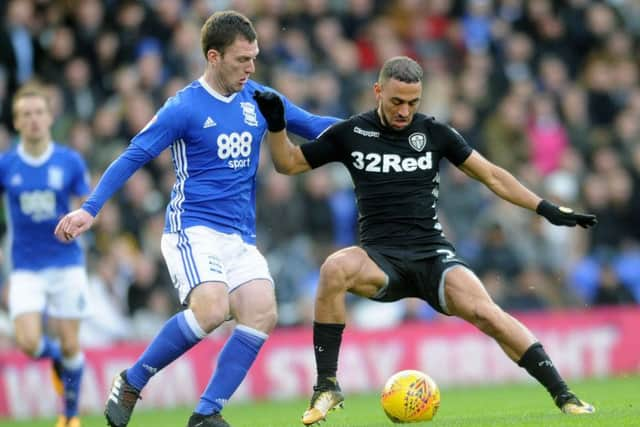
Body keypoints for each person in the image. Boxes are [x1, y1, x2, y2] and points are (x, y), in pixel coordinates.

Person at [251, 56, 598, 425]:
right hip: (380, 259)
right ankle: (327, 385)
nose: (405, 111)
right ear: (378, 91)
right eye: (397, 101)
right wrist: (276, 125)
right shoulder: (351, 134)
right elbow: (288, 164)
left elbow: (493, 176)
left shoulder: (435, 133)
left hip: (432, 255)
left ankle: (565, 395)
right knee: (334, 268)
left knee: (488, 313)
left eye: (413, 103)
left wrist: (544, 208)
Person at [54, 10, 337, 427]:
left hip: (239, 235)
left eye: (254, 58)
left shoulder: (258, 98)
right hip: (193, 228)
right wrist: (91, 208)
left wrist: (373, 130)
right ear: (214, 56)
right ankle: (132, 380)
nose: (251, 68)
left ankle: (206, 413)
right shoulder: (183, 106)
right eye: (242, 60)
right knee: (211, 309)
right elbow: (134, 154)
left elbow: (314, 126)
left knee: (262, 312)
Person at [2, 83, 91, 427]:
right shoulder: (6, 165)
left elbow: (87, 206)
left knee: (71, 343)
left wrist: (81, 223)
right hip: (25, 266)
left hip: (67, 263)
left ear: (50, 117)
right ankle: (55, 360)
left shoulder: (69, 161)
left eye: (39, 112)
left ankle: (69, 417)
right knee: (27, 342)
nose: (34, 119)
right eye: (26, 114)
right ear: (17, 122)